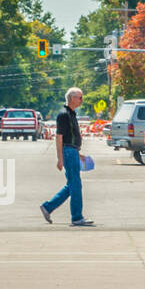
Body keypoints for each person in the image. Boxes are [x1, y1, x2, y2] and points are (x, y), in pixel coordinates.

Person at [39, 87, 94, 226]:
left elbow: (71, 137)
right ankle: (77, 217)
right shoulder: (63, 115)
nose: (82, 100)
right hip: (68, 152)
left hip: (72, 151)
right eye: (80, 97)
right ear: (72, 98)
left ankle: (48, 207)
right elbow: (59, 137)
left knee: (72, 185)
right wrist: (60, 158)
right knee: (75, 184)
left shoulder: (72, 114)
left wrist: (78, 153)